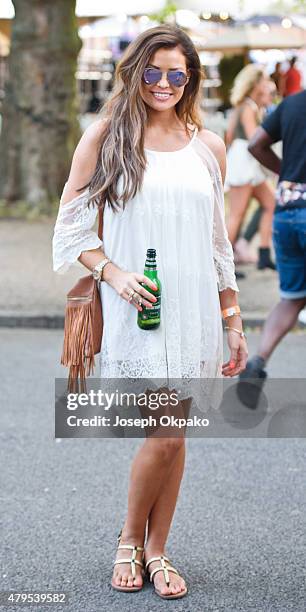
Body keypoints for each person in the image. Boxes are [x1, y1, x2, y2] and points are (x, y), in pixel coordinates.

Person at [52, 25, 248, 600]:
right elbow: (69, 231)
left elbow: (218, 244)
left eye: (176, 74)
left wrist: (233, 320)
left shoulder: (206, 146)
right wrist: (113, 272)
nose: (164, 83)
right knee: (164, 434)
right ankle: (131, 541)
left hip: (194, 311)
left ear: (189, 80)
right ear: (136, 71)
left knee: (174, 432)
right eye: (154, 71)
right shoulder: (107, 136)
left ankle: (154, 549)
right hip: (137, 306)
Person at [240, 89, 306, 381]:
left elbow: (256, 144)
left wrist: (287, 173)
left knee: (291, 298)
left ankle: (257, 362)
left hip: (286, 213)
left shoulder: (292, 103)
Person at [225, 65, 276, 270]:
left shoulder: (244, 105)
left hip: (245, 162)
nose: (268, 85)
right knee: (237, 213)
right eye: (264, 81)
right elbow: (255, 139)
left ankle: (264, 254)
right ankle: (224, 266)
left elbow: (229, 135)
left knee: (271, 203)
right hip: (245, 162)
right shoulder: (248, 107)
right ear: (256, 84)